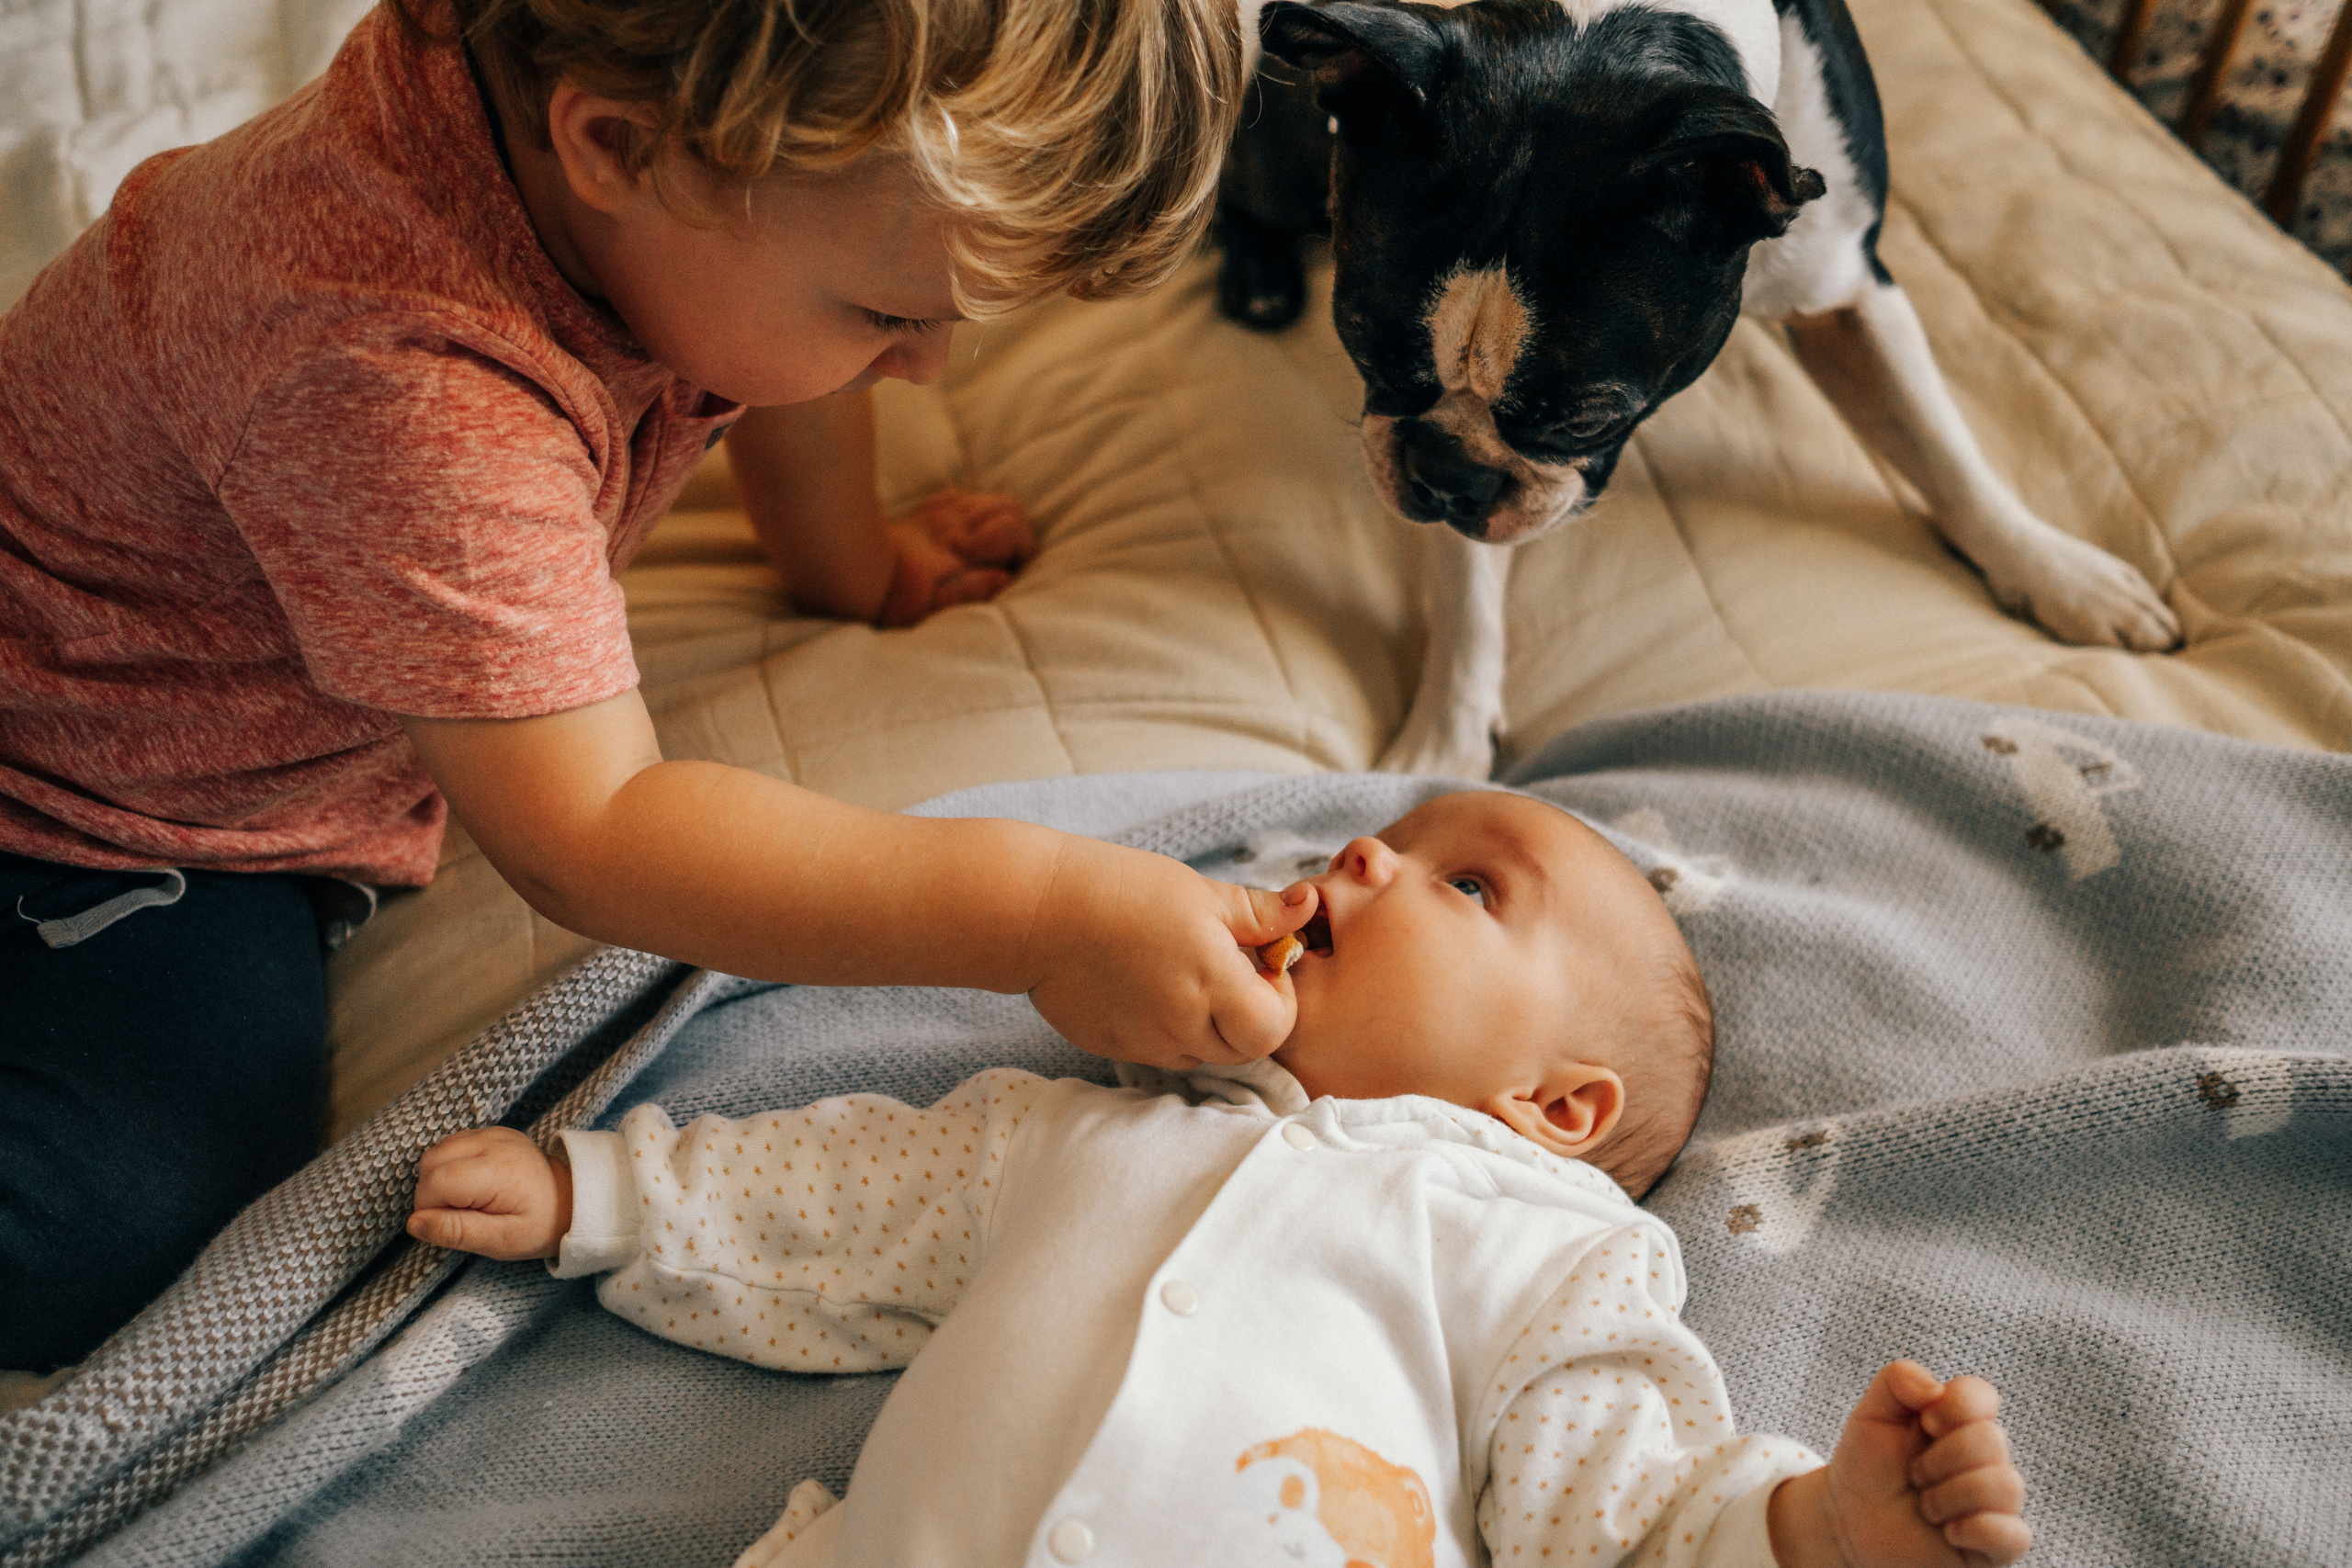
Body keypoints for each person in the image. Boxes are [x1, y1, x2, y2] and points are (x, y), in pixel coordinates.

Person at [0, 0, 1280, 1375]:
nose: (925, 366)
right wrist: (1045, 919)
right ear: (619, 149)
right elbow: (595, 830)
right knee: (114, 1225)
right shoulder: (400, 375)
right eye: (891, 317)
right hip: (81, 804)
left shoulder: (637, 138)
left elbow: (766, 365)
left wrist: (855, 567)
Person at [411, 790, 2033, 1568]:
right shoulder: (1093, 1127)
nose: (1366, 858)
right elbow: (857, 1198)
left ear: (1555, 1104)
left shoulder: (1534, 1253)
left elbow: (1618, 1512)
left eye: (1468, 884)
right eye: (1386, 834)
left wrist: (1811, 1529)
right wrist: (608, 1196)